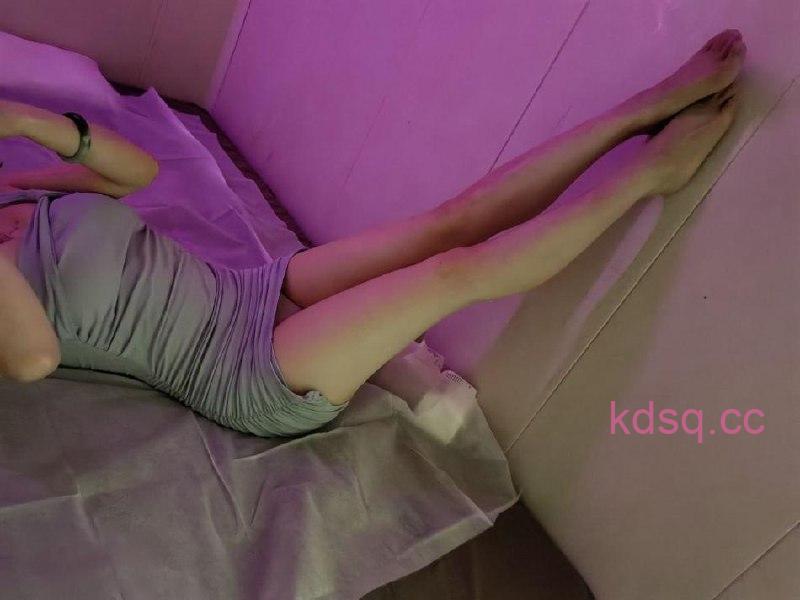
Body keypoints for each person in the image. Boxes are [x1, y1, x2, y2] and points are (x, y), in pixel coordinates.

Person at [0, 29, 746, 437]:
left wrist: (31, 121)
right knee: (455, 271)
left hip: (247, 292)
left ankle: (642, 109)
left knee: (447, 222)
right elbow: (34, 359)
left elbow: (137, 173)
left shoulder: (19, 189)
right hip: (239, 368)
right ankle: (650, 177)